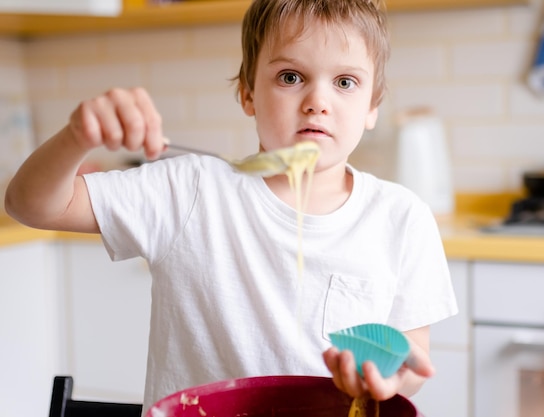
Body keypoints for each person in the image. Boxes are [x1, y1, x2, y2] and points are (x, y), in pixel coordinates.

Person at [4, 0, 457, 413]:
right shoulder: (190, 190)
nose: (317, 102)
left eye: (344, 82)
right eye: (290, 77)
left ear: (372, 105)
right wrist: (77, 138)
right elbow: (32, 206)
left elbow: (412, 361)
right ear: (247, 93)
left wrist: (391, 373)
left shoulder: (401, 218)